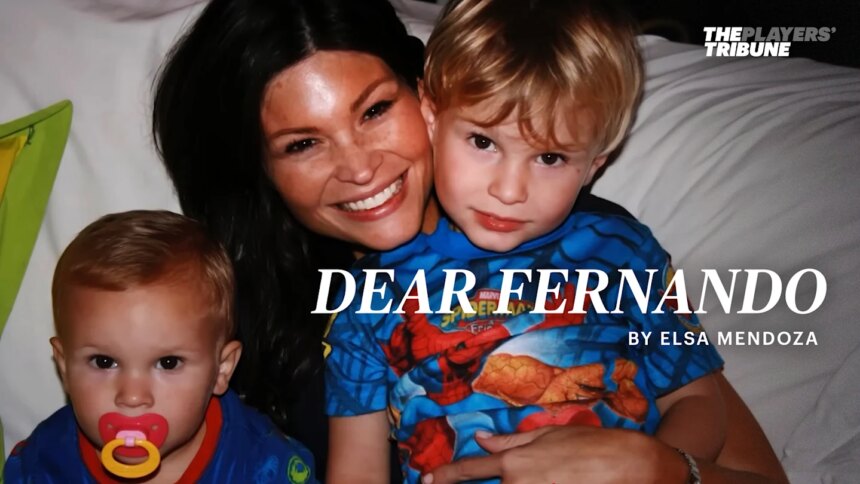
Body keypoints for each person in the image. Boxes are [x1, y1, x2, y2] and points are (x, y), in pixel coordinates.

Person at [151, 0, 788, 482]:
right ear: (259, 169)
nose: (360, 169)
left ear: (423, 99)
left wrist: (654, 467)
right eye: (303, 144)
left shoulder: (597, 240)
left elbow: (726, 437)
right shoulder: (261, 319)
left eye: (374, 110)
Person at [323, 1, 725, 482]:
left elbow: (700, 403)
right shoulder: (370, 293)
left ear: (595, 164)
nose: (510, 190)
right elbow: (358, 471)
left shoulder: (623, 252)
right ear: (431, 115)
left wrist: (651, 469)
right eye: (483, 142)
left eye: (550, 157)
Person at [3, 210, 316, 483]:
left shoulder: (262, 465)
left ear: (222, 369)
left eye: (168, 363)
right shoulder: (44, 461)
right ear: (64, 366)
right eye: (103, 362)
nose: (132, 397)